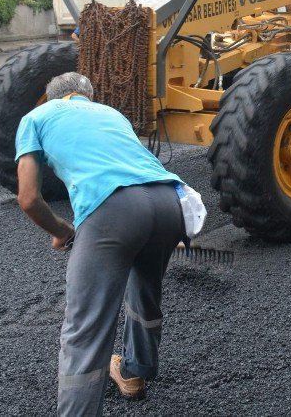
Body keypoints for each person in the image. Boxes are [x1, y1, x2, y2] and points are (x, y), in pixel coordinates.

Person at [15, 72, 188, 415]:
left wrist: (62, 230)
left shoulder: (36, 117)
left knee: (86, 329)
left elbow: (29, 198)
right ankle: (135, 372)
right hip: (169, 201)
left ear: (52, 98)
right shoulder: (111, 113)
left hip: (113, 212)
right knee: (145, 289)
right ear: (87, 96)